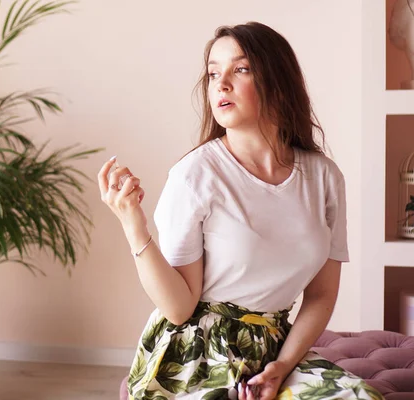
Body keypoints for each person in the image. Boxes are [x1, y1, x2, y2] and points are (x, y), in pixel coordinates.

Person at [98, 22, 384, 400]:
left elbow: (320, 295)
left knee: (361, 397)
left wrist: (282, 367)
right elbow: (179, 307)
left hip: (277, 350)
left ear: (278, 84)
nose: (221, 83)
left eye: (241, 69)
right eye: (214, 73)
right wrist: (133, 225)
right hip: (195, 357)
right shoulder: (194, 176)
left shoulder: (323, 177)